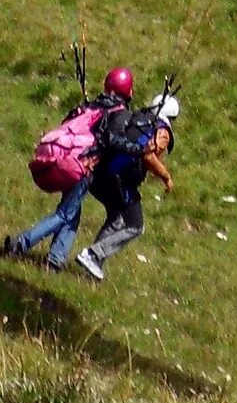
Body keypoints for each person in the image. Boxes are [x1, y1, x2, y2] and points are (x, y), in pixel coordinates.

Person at [8, 65, 135, 271]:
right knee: (65, 215)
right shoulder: (118, 113)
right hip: (84, 167)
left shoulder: (91, 106)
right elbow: (113, 141)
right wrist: (134, 148)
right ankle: (21, 243)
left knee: (71, 213)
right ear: (127, 90)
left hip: (67, 160)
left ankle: (55, 260)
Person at [75, 94, 177, 281]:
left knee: (116, 219)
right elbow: (148, 157)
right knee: (135, 225)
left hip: (102, 173)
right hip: (123, 180)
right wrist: (166, 177)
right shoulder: (162, 132)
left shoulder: (138, 117)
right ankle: (93, 254)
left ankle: (93, 261)